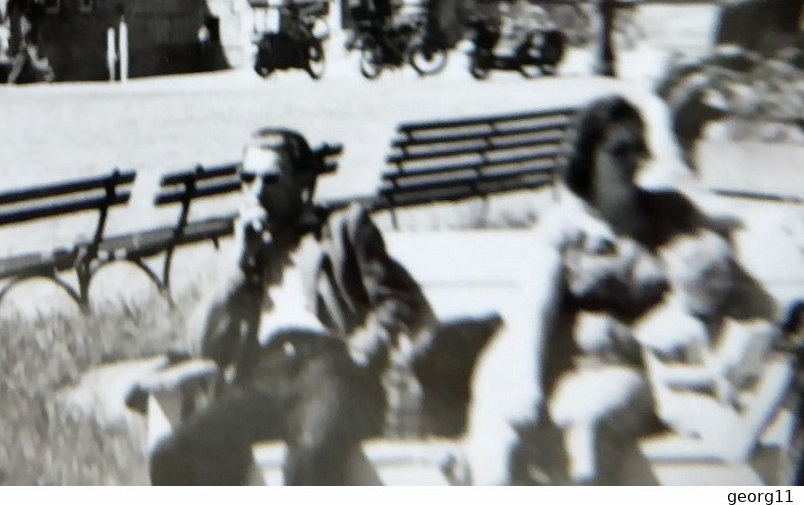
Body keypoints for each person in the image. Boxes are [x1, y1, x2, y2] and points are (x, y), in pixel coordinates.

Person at [467, 95, 740, 485]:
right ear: (588, 156)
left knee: (586, 425)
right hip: (537, 355)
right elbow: (532, 311)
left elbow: (718, 239)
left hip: (616, 366)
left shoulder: (666, 212)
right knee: (505, 436)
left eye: (638, 148)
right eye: (619, 150)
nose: (633, 161)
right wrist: (528, 383)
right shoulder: (562, 228)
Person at [146, 128, 437, 485]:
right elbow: (198, 343)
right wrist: (239, 266)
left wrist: (367, 346)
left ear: (304, 185)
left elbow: (401, 299)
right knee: (176, 453)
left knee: (313, 449)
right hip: (263, 377)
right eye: (248, 179)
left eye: (271, 179)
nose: (256, 191)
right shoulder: (246, 253)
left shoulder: (344, 229)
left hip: (331, 367)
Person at [633, 230, 777, 451]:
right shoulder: (662, 325)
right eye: (710, 294)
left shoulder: (712, 318)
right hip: (687, 403)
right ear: (685, 287)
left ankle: (750, 432)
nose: (717, 300)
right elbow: (666, 377)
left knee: (776, 378)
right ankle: (742, 443)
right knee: (721, 424)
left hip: (723, 397)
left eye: (719, 294)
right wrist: (712, 373)